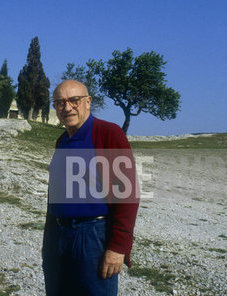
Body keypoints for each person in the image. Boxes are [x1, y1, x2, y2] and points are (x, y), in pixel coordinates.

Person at [42, 80, 139, 296]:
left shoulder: (108, 134)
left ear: (88, 102)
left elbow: (128, 194)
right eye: (59, 103)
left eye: (74, 100)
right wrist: (48, 243)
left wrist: (117, 248)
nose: (67, 108)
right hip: (58, 235)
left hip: (93, 237)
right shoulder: (62, 141)